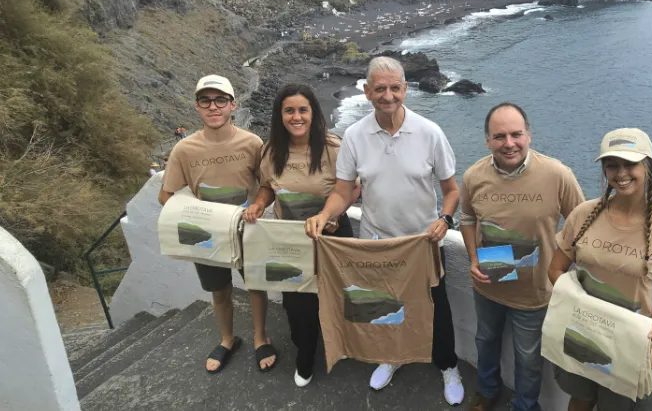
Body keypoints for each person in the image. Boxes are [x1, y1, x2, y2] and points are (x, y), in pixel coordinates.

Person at [305, 56, 465, 405]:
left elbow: (452, 190)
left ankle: (448, 365)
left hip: (422, 242)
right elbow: (344, 190)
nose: (388, 95)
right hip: (376, 243)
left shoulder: (429, 133)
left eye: (395, 87)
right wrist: (325, 215)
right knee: (382, 306)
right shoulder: (354, 135)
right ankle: (391, 357)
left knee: (437, 307)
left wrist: (446, 219)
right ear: (367, 91)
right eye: (380, 88)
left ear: (405, 89)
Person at [548, 128, 652, 411]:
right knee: (580, 399)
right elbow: (556, 270)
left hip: (632, 348)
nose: (620, 172)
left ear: (649, 167)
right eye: (612, 164)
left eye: (630, 163)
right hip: (583, 335)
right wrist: (582, 306)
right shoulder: (584, 214)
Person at [460, 103, 585, 411]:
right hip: (488, 284)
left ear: (529, 135)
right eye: (499, 136)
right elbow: (466, 218)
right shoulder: (474, 176)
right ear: (487, 140)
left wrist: (562, 272)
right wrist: (473, 258)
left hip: (535, 293)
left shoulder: (557, 174)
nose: (509, 143)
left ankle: (525, 406)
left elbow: (581, 227)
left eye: (516, 134)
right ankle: (488, 392)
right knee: (485, 341)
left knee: (528, 357)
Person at [158, 75, 278, 374]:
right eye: (205, 101)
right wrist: (195, 214)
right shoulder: (184, 150)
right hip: (207, 235)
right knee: (219, 290)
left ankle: (260, 337)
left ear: (232, 105)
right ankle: (227, 339)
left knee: (254, 285)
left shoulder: (251, 143)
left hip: (247, 229)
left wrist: (259, 205)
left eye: (220, 100)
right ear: (197, 106)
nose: (213, 107)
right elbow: (166, 195)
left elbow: (267, 185)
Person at [242, 84, 359, 388]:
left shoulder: (334, 147)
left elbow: (352, 187)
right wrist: (258, 204)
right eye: (289, 110)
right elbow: (268, 186)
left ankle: (341, 344)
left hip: (333, 236)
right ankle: (305, 353)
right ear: (280, 115)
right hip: (289, 239)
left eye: (303, 110)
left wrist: (332, 216)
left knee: (336, 295)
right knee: (297, 304)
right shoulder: (269, 151)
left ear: (313, 113)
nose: (297, 116)